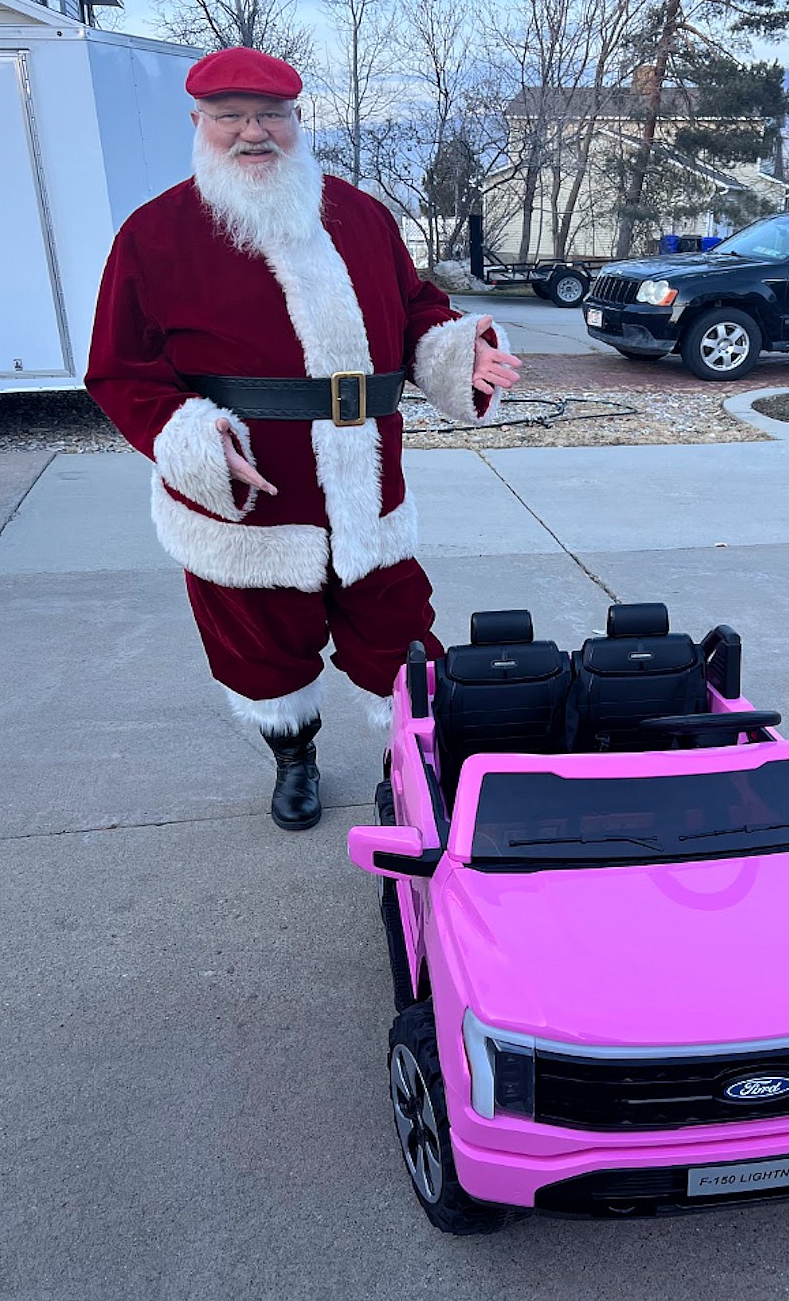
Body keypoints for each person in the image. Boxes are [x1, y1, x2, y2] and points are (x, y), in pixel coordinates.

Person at [86, 47, 521, 831]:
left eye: (271, 115)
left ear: (296, 120)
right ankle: (294, 758)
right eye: (230, 117)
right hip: (249, 499)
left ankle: (416, 762)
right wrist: (188, 440)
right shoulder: (153, 235)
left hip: (367, 488)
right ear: (199, 124)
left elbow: (417, 305)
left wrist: (460, 352)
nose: (253, 133)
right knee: (263, 650)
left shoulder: (359, 214)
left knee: (401, 636)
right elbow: (120, 372)